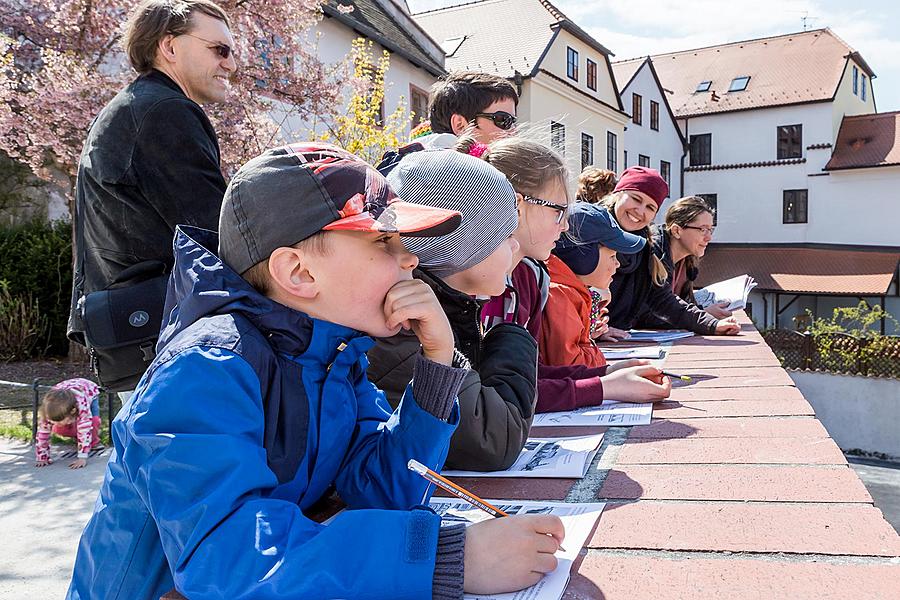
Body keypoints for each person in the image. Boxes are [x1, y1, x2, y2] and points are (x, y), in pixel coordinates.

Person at [67, 144, 564, 600]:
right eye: (386, 243)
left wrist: (436, 364)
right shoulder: (205, 370)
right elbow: (233, 560)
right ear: (299, 273)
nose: (412, 258)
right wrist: (446, 557)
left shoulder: (333, 354)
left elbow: (378, 488)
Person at [68, 0, 235, 387]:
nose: (231, 64)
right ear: (170, 47)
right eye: (219, 49)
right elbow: (219, 235)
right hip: (168, 341)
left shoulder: (133, 106)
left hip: (134, 332)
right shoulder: (165, 111)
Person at [367, 148, 539, 472]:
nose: (517, 247)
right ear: (463, 246)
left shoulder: (444, 304)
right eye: (505, 235)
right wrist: (511, 336)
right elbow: (496, 440)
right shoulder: (405, 325)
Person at [470, 137, 667, 411]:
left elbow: (527, 378)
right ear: (517, 205)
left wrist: (606, 376)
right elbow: (494, 393)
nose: (564, 227)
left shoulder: (527, 278)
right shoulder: (476, 280)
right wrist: (603, 385)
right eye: (558, 211)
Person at [539, 203, 671, 402]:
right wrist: (607, 368)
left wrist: (613, 369)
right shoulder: (559, 295)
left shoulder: (569, 292)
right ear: (584, 256)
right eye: (612, 255)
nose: (617, 263)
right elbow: (572, 366)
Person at [598, 167, 740, 341]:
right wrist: (592, 328)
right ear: (618, 193)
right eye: (636, 198)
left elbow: (662, 299)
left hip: (607, 340)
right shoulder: (589, 228)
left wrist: (711, 325)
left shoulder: (643, 246)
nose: (640, 211)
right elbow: (570, 291)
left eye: (650, 207)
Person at [648, 195, 733, 319]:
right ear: (676, 231)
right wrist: (703, 313)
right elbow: (651, 313)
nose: (709, 237)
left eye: (710, 230)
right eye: (702, 229)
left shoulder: (687, 261)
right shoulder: (652, 255)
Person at [406, 71, 519, 149]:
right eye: (503, 120)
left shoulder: (411, 163)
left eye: (513, 122)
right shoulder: (465, 177)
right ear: (460, 125)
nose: (513, 131)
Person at [33, 378, 102, 470]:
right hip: (64, 393)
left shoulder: (81, 405)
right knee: (62, 428)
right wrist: (42, 457)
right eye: (54, 422)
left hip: (89, 390)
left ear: (73, 412)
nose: (56, 424)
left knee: (93, 422)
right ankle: (78, 439)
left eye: (59, 421)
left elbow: (85, 430)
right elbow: (42, 434)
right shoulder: (49, 409)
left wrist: (82, 457)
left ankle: (93, 443)